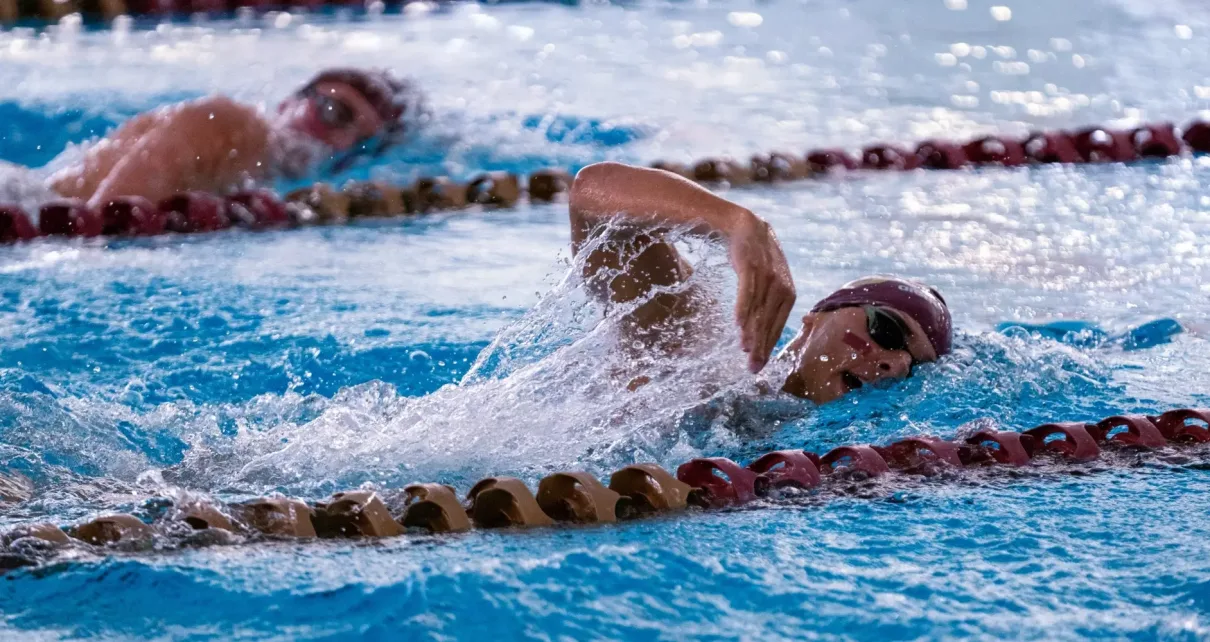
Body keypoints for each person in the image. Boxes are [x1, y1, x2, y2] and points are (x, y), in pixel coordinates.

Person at [569, 161, 953, 404]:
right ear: (815, 317)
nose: (896, 366)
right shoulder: (693, 352)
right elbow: (590, 196)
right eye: (885, 329)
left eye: (913, 367)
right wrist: (734, 223)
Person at [3, 68, 417, 211]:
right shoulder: (232, 124)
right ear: (291, 101)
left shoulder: (262, 176)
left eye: (361, 142)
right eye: (335, 111)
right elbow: (107, 214)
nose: (340, 141)